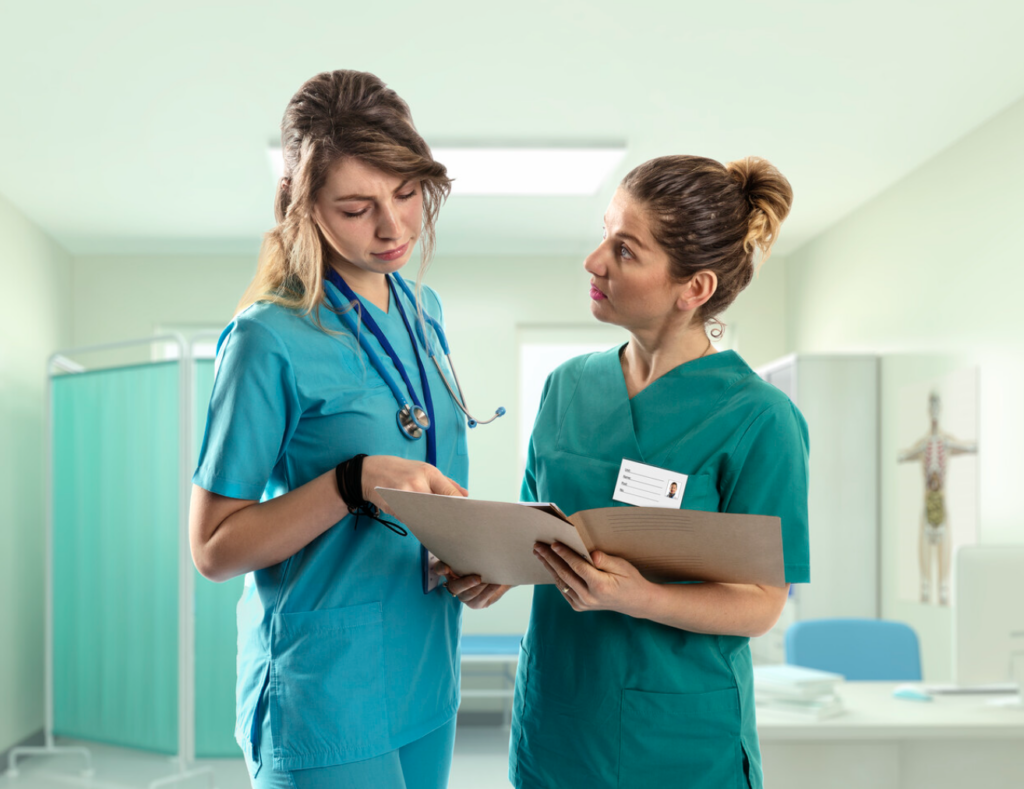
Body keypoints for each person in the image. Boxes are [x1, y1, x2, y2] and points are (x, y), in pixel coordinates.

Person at [189, 70, 507, 789]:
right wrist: (350, 482)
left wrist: (474, 554)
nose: (393, 227)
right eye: (358, 207)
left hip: (427, 664)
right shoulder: (267, 337)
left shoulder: (424, 310)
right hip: (326, 687)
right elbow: (212, 547)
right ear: (304, 207)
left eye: (405, 194)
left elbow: (424, 464)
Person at [509, 155, 809, 789]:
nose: (594, 262)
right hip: (558, 723)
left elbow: (761, 605)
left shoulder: (758, 418)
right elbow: (530, 531)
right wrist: (479, 564)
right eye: (603, 235)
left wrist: (636, 597)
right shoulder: (566, 387)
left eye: (625, 250)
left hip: (678, 741)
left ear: (693, 289)